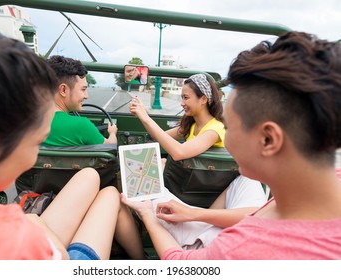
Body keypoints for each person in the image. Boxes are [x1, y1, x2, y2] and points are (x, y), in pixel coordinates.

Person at [122, 31, 341, 259]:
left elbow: (179, 263)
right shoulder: (323, 183)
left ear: (268, 139)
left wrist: (148, 214)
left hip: (200, 245)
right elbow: (254, 214)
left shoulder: (236, 251)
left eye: (231, 126)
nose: (225, 136)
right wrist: (194, 213)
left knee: (149, 195)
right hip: (211, 218)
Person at [0, 17, 144, 260]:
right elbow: (60, 258)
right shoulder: (16, 235)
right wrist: (37, 228)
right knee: (107, 195)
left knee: (89, 178)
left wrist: (32, 220)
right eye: (33, 140)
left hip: (32, 203)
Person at [128, 73, 267, 249]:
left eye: (186, 98)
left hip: (191, 198)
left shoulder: (215, 129)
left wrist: (145, 117)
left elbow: (179, 152)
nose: (181, 103)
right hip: (187, 194)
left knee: (136, 187)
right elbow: (160, 138)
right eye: (181, 98)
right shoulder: (191, 125)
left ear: (203, 99)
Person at [43, 55, 118, 146]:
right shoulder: (82, 126)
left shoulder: (24, 121)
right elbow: (111, 147)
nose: (86, 96)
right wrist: (112, 133)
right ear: (63, 90)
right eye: (83, 89)